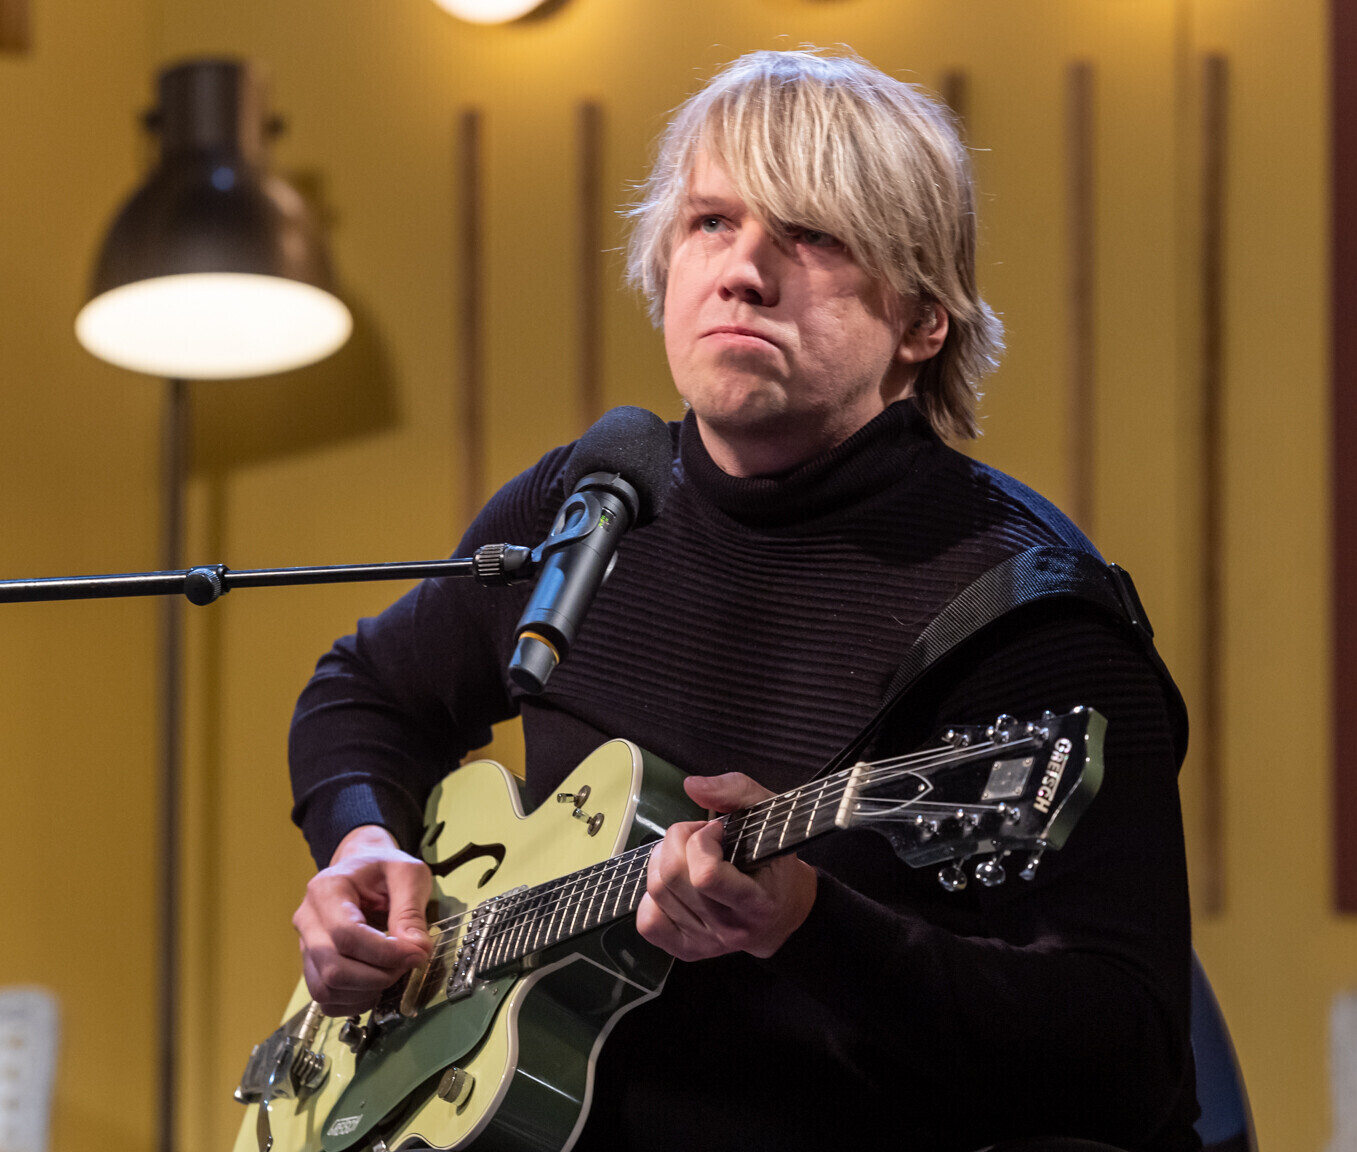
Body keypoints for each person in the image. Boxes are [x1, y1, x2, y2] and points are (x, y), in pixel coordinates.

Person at [288, 49, 1197, 1151]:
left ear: (924, 320)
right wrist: (358, 848)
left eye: (813, 237)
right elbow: (365, 691)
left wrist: (810, 926)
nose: (744, 272)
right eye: (712, 222)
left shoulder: (1025, 613)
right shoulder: (590, 504)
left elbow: (1132, 1063)